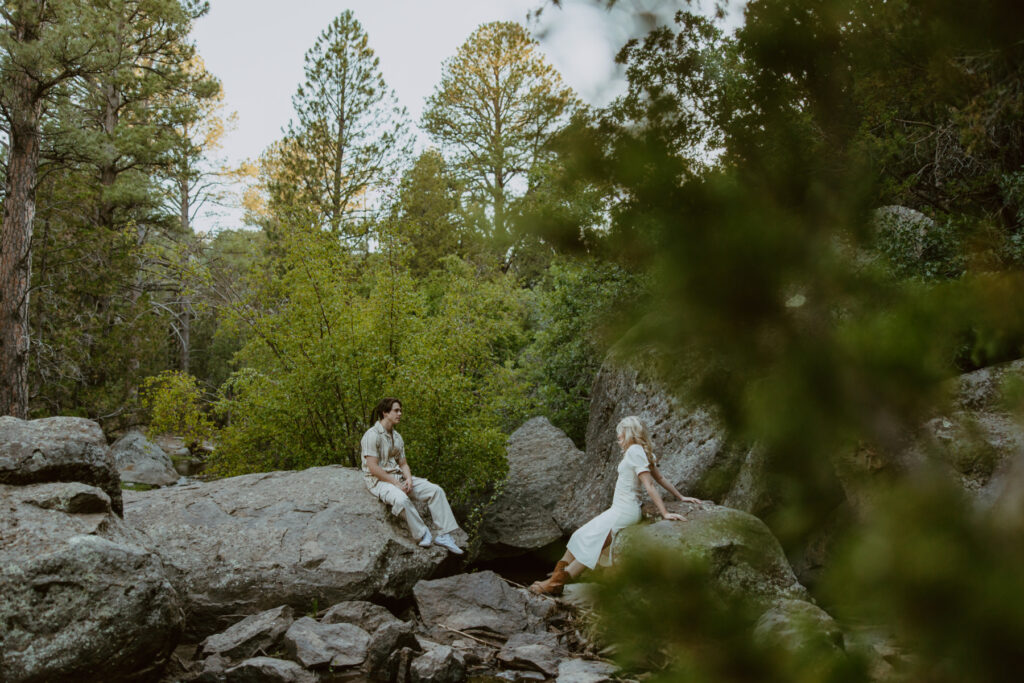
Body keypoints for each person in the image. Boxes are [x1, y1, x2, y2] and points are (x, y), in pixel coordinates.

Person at [529, 415, 700, 595]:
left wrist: (665, 513)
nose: (618, 438)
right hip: (618, 508)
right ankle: (555, 582)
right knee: (579, 537)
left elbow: (650, 483)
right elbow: (661, 478)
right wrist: (681, 497)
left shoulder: (635, 450)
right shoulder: (640, 451)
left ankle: (554, 584)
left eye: (621, 434)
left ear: (630, 433)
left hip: (625, 510)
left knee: (593, 544)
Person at [360, 397, 463, 554]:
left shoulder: (397, 437)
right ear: (385, 413)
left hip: (399, 477)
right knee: (401, 499)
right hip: (378, 481)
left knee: (436, 490)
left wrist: (408, 479)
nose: (400, 413)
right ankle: (422, 533)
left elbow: (403, 464)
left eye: (400, 410)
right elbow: (373, 467)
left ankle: (444, 535)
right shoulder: (372, 435)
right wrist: (395, 483)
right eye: (396, 410)